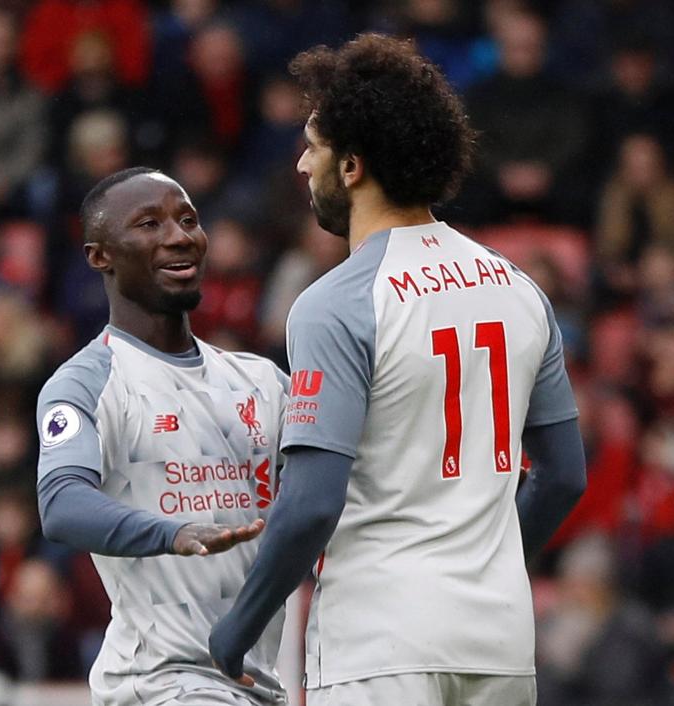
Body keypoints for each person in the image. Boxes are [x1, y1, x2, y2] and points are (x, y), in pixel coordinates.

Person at [209, 34, 588, 706]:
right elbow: (562, 475)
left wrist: (236, 629)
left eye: (313, 147)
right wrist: (487, 567)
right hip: (498, 641)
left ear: (351, 166)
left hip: (379, 643)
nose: (301, 164)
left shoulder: (336, 302)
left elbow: (312, 503)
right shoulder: (518, 288)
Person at [35, 167, 290, 705]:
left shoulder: (262, 381)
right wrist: (171, 533)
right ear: (99, 255)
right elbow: (62, 504)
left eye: (188, 220)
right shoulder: (90, 381)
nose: (179, 236)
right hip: (161, 683)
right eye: (149, 224)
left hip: (255, 681)